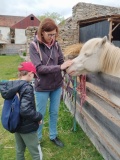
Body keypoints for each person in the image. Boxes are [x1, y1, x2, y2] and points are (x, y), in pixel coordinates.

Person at [29, 18, 73, 147]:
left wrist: (69, 67)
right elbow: (39, 68)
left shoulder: (56, 45)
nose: (52, 37)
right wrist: (60, 67)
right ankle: (37, 138)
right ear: (42, 32)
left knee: (54, 112)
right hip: (42, 86)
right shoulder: (34, 46)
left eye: (54, 34)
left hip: (56, 85)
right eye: (49, 34)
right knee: (40, 114)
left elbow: (61, 61)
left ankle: (53, 136)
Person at [0, 61, 43, 160]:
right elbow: (25, 110)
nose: (33, 77)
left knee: (19, 151)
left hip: (16, 124)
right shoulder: (27, 87)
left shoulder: (12, 85)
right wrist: (39, 116)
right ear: (30, 73)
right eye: (33, 75)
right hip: (27, 127)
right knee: (36, 153)